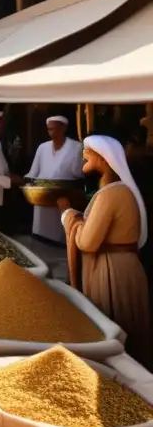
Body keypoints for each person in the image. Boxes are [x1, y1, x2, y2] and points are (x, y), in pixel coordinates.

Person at [58, 136, 150, 366]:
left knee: (116, 328)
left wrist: (68, 215)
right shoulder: (116, 190)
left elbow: (87, 242)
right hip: (122, 267)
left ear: (103, 157)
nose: (84, 154)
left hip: (113, 273)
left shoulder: (112, 193)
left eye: (88, 150)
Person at [27, 116, 84, 243]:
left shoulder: (76, 147)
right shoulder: (42, 147)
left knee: (60, 236)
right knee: (40, 239)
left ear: (63, 128)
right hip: (42, 197)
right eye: (49, 130)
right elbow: (33, 172)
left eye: (55, 129)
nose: (52, 133)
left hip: (63, 197)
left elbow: (78, 173)